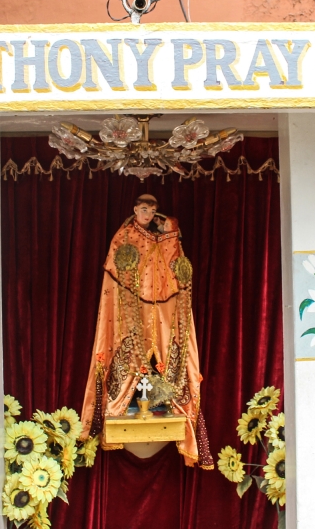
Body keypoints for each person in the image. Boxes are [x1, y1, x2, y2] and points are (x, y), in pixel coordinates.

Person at [79, 194, 214, 468]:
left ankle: (174, 408)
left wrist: (169, 231)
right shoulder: (126, 235)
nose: (148, 215)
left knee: (171, 352)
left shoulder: (166, 238)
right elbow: (116, 264)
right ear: (134, 209)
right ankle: (119, 404)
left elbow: (176, 264)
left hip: (164, 304)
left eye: (152, 211)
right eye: (143, 209)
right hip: (131, 302)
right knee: (129, 349)